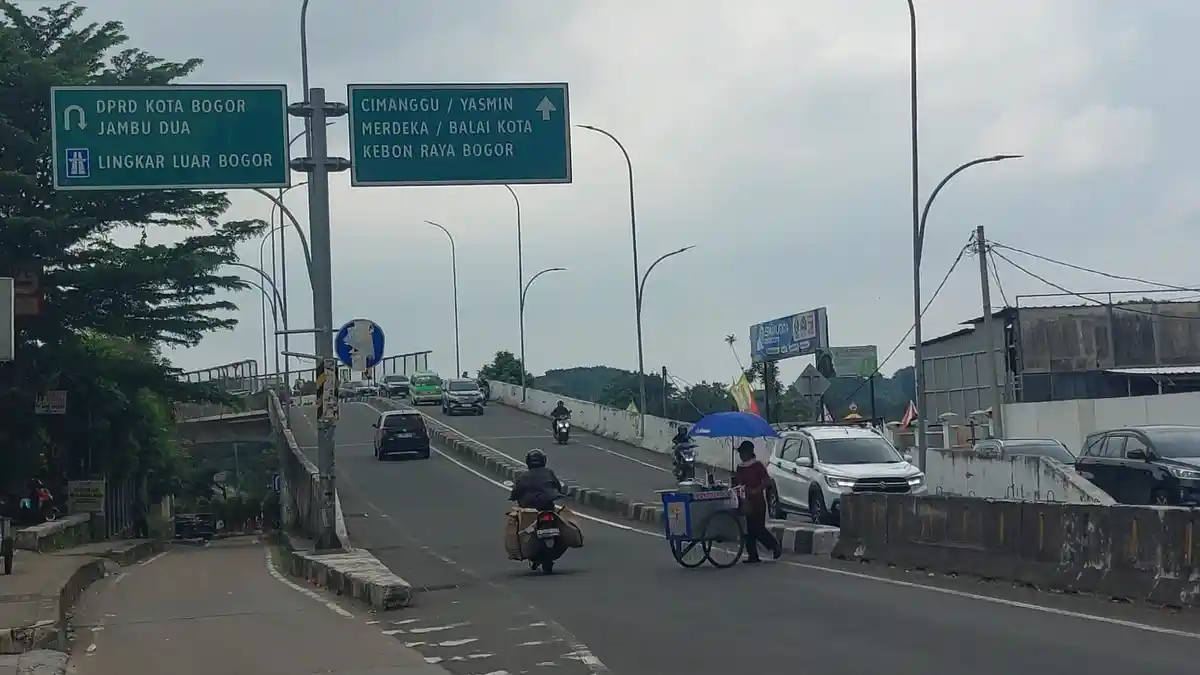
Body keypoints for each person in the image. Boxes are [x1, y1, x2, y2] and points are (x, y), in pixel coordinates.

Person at [731, 441, 782, 563]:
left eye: (743, 452)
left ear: (749, 452)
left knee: (758, 528)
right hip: (745, 501)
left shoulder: (758, 466)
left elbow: (766, 481)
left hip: (758, 501)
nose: (741, 455)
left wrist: (757, 490)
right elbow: (738, 483)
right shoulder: (740, 467)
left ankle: (774, 545)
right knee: (748, 530)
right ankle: (752, 555)